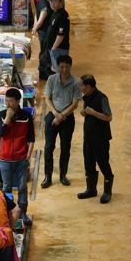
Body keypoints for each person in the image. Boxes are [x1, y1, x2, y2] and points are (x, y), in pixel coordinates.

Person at [42, 55, 81, 188]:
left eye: (66, 67)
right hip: (52, 116)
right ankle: (47, 176)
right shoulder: (52, 79)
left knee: (65, 148)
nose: (64, 69)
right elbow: (47, 98)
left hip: (67, 119)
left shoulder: (76, 82)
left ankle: (63, 175)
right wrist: (55, 114)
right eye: (61, 67)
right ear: (57, 67)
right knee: (48, 148)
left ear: (71, 66)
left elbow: (75, 104)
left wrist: (61, 116)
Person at [0, 88, 35, 223]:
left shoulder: (26, 116)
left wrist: (28, 156)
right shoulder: (1, 115)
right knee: (6, 187)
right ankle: (9, 214)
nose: (8, 104)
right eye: (6, 101)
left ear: (18, 101)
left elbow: (31, 138)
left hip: (21, 158)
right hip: (5, 159)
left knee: (22, 187)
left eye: (11, 101)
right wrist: (7, 118)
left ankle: (23, 213)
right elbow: (0, 133)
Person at [77, 74, 114, 203]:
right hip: (88, 137)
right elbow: (86, 110)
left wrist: (93, 113)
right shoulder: (86, 96)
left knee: (103, 163)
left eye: (82, 85)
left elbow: (108, 117)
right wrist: (84, 112)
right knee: (88, 162)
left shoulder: (102, 98)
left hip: (100, 138)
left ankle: (107, 191)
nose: (80, 87)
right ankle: (91, 189)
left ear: (88, 86)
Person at [32, 0, 55, 81]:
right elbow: (41, 19)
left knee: (46, 52)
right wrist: (35, 28)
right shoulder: (45, 6)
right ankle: (43, 72)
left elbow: (36, 15)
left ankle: (48, 69)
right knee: (44, 53)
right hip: (45, 33)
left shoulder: (41, 1)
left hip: (44, 32)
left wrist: (34, 25)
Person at [46, 0, 70, 73]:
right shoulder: (54, 13)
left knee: (61, 73)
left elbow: (61, 35)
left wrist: (53, 48)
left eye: (55, 1)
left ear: (61, 2)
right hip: (54, 49)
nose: (53, 4)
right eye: (51, 1)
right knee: (57, 72)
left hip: (59, 49)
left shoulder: (63, 15)